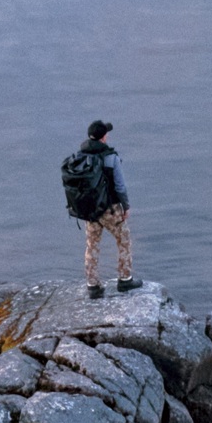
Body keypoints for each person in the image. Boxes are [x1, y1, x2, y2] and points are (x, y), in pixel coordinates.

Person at [60, 118, 139, 297]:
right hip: (110, 209)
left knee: (92, 245)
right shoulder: (111, 157)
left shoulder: (80, 156)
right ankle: (125, 280)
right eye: (106, 133)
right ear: (103, 138)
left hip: (90, 210)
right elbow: (120, 186)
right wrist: (126, 207)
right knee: (124, 240)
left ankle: (93, 285)